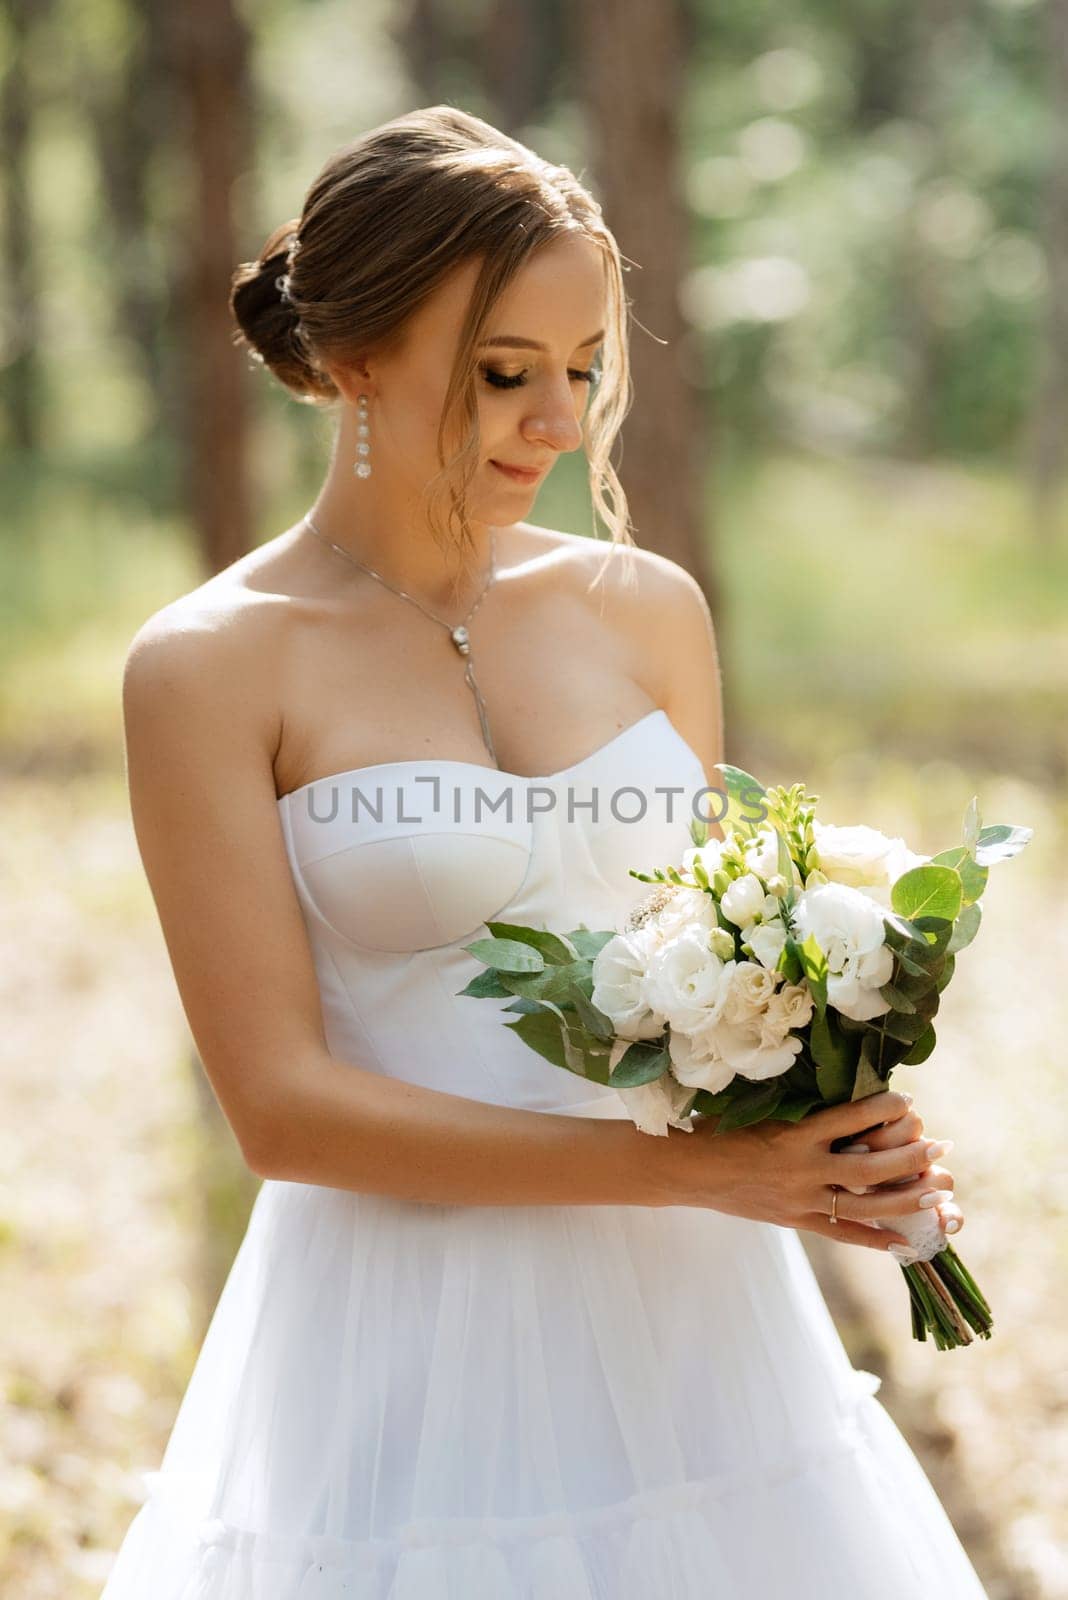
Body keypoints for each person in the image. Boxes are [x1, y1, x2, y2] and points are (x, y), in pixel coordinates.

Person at [100, 105, 987, 1599]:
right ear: (354, 356)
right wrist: (715, 1180)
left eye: (582, 372)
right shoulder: (206, 667)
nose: (560, 424)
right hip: (405, 1342)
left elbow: (723, 952)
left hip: (703, 1331)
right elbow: (282, 1113)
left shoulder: (645, 608)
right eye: (507, 372)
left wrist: (828, 1111)